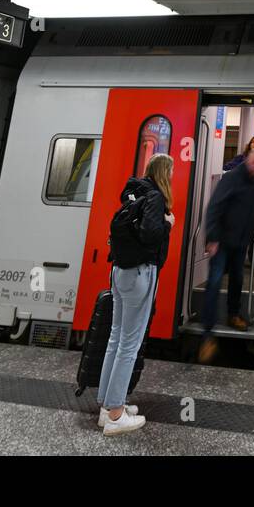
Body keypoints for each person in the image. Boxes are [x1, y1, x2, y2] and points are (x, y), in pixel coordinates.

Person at [98, 152, 176, 436]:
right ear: (163, 173)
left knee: (115, 338)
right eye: (171, 172)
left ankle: (107, 407)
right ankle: (116, 414)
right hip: (141, 273)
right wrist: (168, 223)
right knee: (129, 344)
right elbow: (150, 235)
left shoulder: (133, 191)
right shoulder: (155, 197)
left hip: (119, 270)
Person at [199, 146, 254, 361]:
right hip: (221, 240)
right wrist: (212, 238)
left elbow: (253, 210)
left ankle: (233, 314)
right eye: (253, 162)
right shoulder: (232, 178)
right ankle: (207, 332)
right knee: (215, 280)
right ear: (247, 159)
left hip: (241, 241)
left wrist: (248, 238)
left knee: (237, 279)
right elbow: (214, 207)